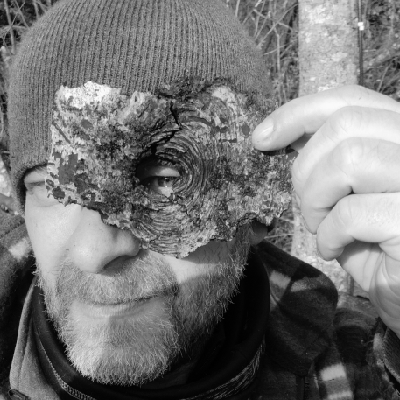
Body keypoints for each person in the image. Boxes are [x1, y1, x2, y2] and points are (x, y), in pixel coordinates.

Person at [1, 0, 400, 399]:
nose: (93, 252)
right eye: (52, 187)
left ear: (256, 205)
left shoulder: (358, 367)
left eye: (164, 179)